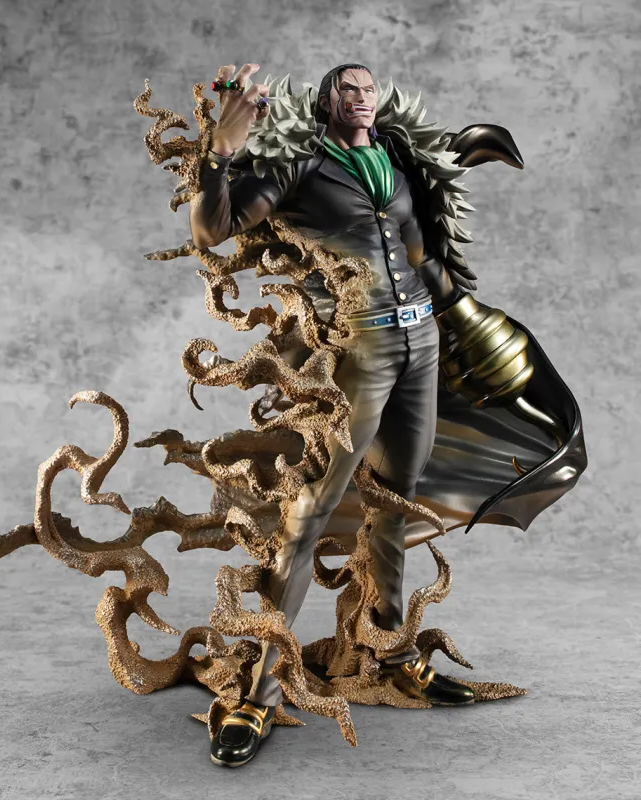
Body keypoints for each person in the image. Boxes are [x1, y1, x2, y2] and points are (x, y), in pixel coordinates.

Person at [193, 62, 520, 768]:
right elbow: (213, 228)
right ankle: (260, 690)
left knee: (396, 502)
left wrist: (466, 321)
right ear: (326, 102)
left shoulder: (393, 158)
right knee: (310, 510)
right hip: (360, 347)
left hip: (421, 342)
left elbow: (417, 248)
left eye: (370, 88)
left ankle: (390, 657)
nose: (363, 96)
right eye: (349, 89)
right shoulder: (300, 165)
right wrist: (220, 150)